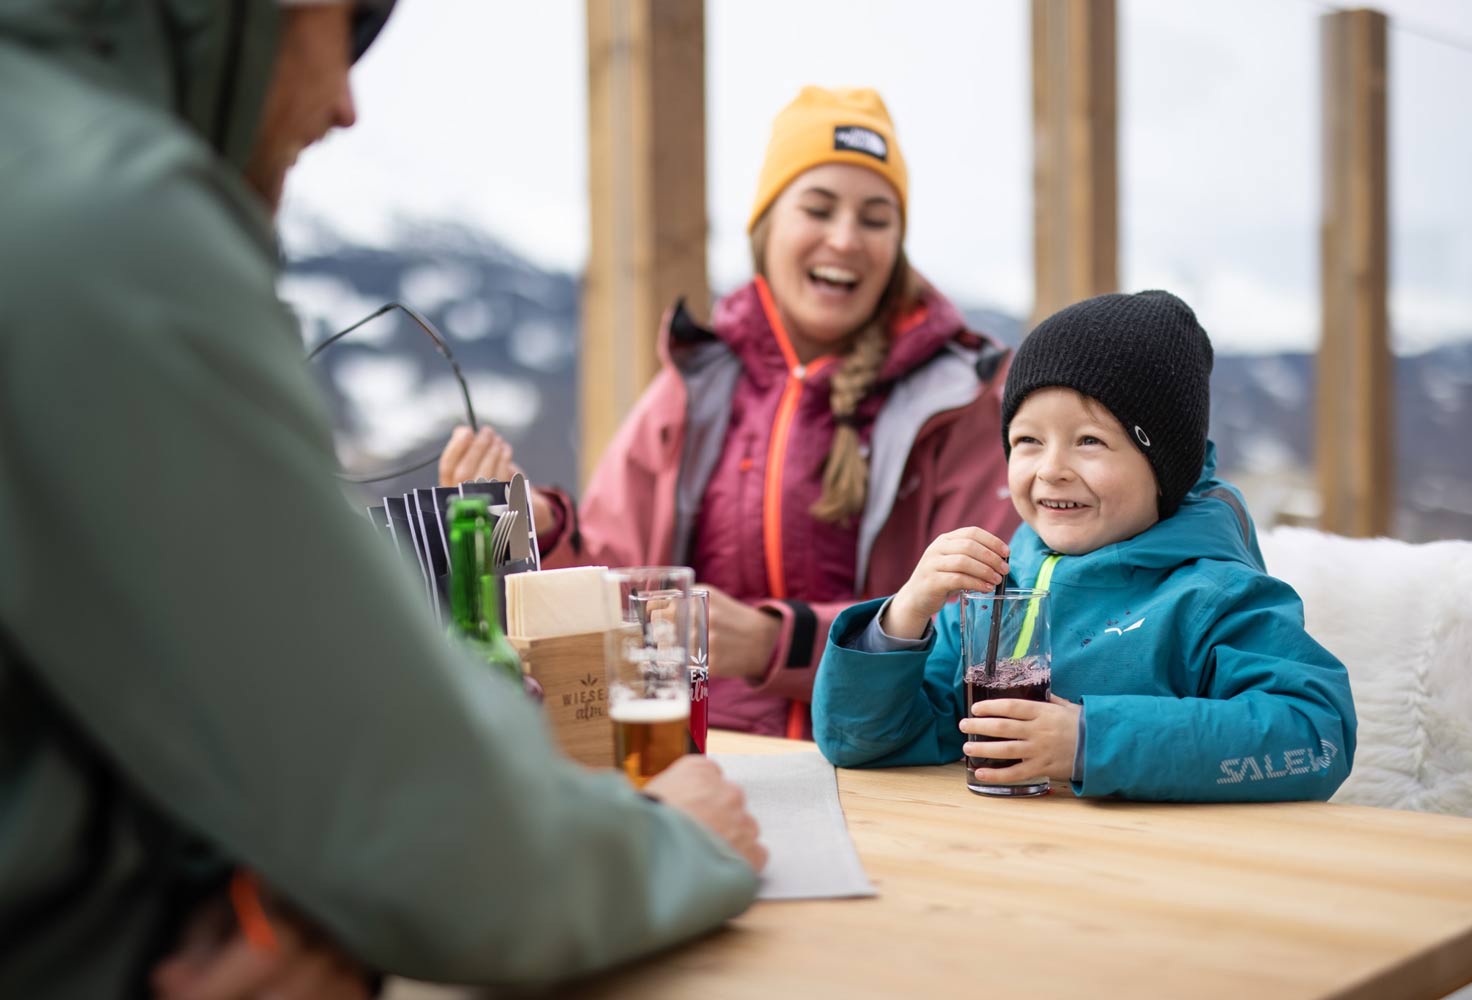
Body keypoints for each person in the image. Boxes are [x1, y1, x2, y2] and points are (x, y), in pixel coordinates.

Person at [0, 3, 766, 998]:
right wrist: (674, 844)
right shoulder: (108, 227)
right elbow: (448, 846)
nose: (352, 103)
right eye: (348, 23)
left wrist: (259, 904)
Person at [441, 86, 1022, 740]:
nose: (845, 239)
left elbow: (978, 617)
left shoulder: (962, 396)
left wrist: (775, 643)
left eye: (876, 218)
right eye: (819, 208)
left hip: (885, 760)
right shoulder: (696, 384)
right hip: (705, 752)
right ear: (767, 226)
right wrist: (543, 527)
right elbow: (619, 579)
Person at [811, 290, 1358, 801]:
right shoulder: (1000, 591)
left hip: (1166, 880)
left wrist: (1088, 741)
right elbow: (861, 742)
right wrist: (903, 617)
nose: (1051, 470)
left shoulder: (1211, 596)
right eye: (1028, 440)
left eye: (1090, 441)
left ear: (1163, 467)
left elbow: (1316, 737)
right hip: (1002, 874)